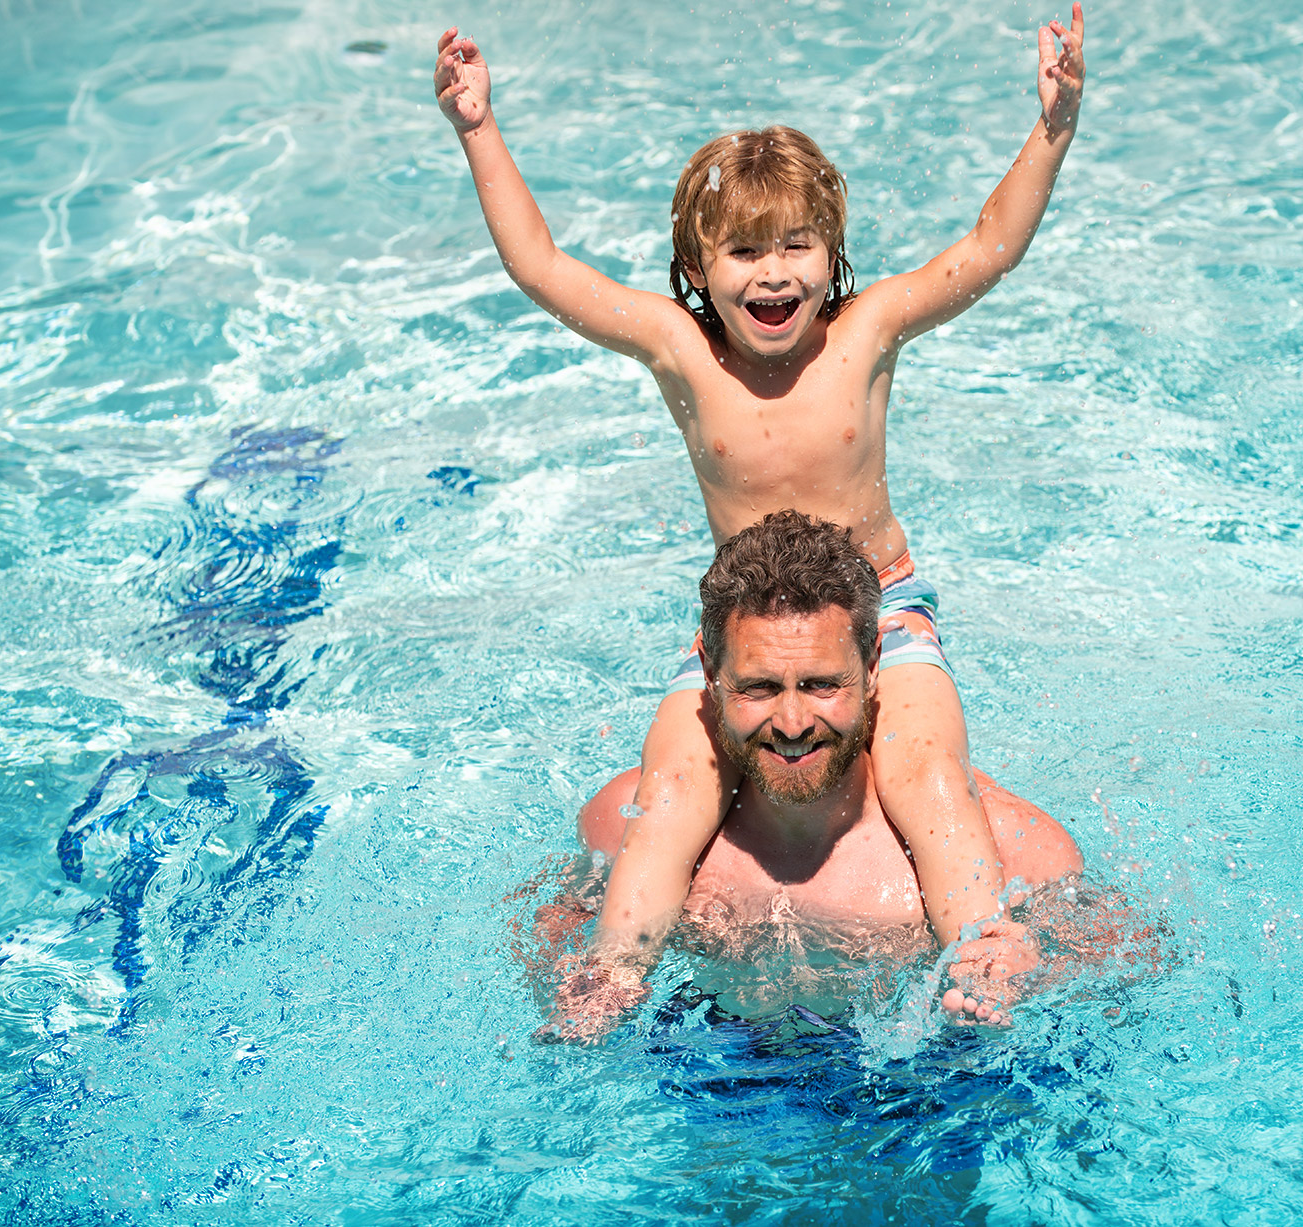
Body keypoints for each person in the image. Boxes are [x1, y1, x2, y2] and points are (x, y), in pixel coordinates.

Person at [433, 9, 1087, 1025]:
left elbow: (988, 247)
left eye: (796, 245)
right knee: (673, 788)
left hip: (884, 612)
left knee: (923, 770)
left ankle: (982, 949)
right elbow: (543, 269)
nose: (772, 272)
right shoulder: (680, 350)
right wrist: (478, 127)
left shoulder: (865, 334)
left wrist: (1053, 126)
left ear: (833, 256)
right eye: (741, 252)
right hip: (746, 631)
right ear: (697, 270)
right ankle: (614, 970)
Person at [545, 511, 1084, 1039]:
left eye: (823, 684)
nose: (793, 724)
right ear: (709, 672)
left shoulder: (1013, 851)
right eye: (758, 687)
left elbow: (1132, 958)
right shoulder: (627, 825)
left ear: (874, 667)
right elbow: (548, 922)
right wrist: (567, 984)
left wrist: (1032, 976)